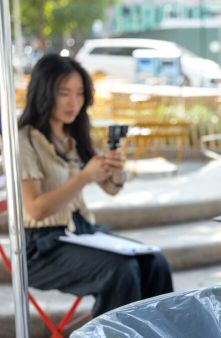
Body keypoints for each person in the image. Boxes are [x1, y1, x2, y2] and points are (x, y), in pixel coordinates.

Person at [18, 54, 173, 317]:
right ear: (44, 93)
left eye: (79, 94)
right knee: (122, 269)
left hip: (82, 233)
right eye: (64, 93)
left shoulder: (74, 135)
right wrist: (83, 177)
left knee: (155, 261)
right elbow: (36, 210)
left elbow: (111, 189)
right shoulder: (25, 140)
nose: (73, 102)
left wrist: (115, 169)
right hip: (41, 248)